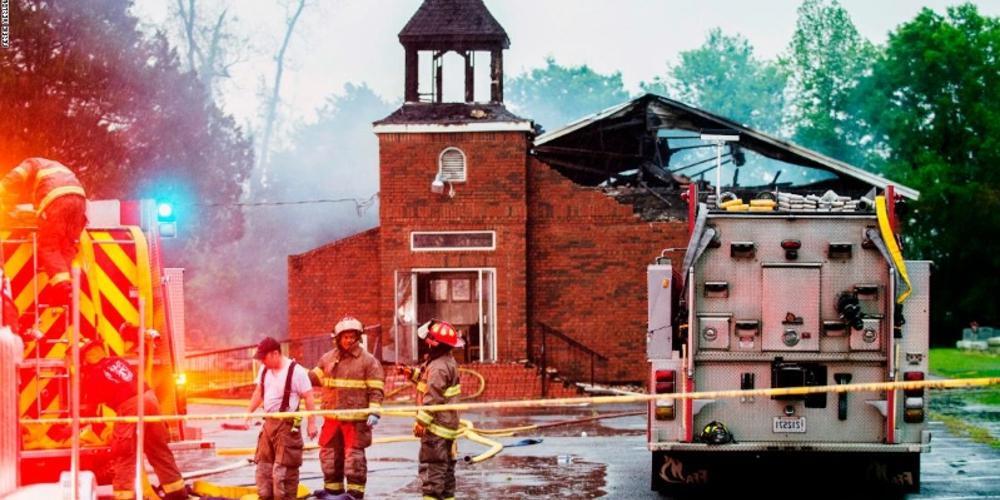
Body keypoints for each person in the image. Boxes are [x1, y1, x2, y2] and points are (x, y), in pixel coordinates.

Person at [79, 337, 187, 500]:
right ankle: (177, 493)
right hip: (150, 399)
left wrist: (75, 425)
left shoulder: (94, 373)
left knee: (124, 452)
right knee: (158, 448)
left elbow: (91, 408)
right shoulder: (117, 361)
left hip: (130, 406)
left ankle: (124, 496)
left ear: (87, 356)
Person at [309, 316, 384, 500]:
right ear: (338, 338)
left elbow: (376, 389)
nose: (349, 340)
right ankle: (333, 492)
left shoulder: (368, 361)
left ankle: (354, 494)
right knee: (329, 457)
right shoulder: (327, 358)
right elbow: (313, 378)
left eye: (353, 336)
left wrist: (374, 411)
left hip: (355, 420)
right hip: (332, 418)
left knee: (354, 459)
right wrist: (295, 370)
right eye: (346, 337)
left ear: (358, 337)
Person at [0, 158, 87, 307]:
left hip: (57, 200)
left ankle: (63, 288)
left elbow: (12, 181)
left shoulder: (31, 163)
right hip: (80, 200)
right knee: (65, 246)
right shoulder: (54, 167)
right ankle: (68, 288)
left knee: (49, 246)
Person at [398, 319, 464, 500]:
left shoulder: (438, 366)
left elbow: (433, 395)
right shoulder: (445, 362)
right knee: (446, 476)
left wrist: (422, 421)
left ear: (434, 343)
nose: (426, 342)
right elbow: (429, 381)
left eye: (429, 339)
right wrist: (411, 374)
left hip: (435, 430)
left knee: (432, 473)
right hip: (448, 428)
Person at [246, 336, 318, 500]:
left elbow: (308, 397)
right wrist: (248, 412)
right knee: (263, 471)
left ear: (275, 354)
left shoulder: (296, 371)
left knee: (282, 474)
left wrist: (311, 424)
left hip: (287, 427)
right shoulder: (264, 370)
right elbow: (259, 392)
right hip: (268, 424)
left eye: (264, 358)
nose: (262, 362)